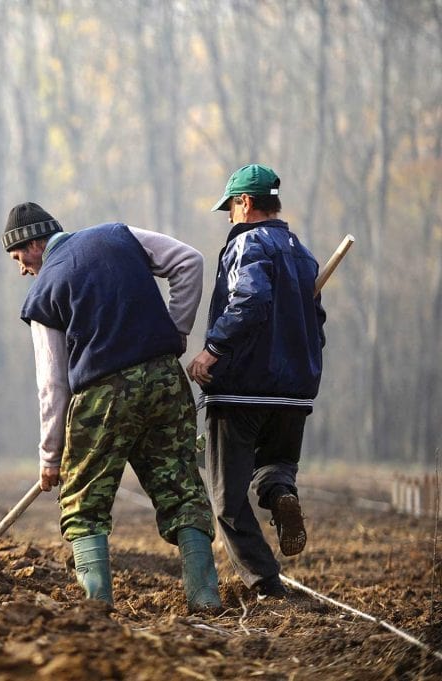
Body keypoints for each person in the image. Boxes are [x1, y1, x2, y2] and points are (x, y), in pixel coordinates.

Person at [3, 202, 221, 613]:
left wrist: (50, 457)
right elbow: (189, 261)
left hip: (102, 397)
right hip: (164, 383)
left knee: (83, 505)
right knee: (182, 489)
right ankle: (206, 598)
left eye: (18, 258)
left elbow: (52, 383)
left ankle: (97, 609)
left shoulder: (42, 292)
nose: (20, 269)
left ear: (33, 244)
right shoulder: (119, 235)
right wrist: (175, 332)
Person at [187, 164, 326, 599]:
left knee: (226, 498)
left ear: (245, 202)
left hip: (242, 388)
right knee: (276, 466)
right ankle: (280, 492)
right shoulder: (301, 253)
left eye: (230, 206)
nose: (228, 215)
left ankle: (265, 582)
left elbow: (251, 298)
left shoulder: (248, 244)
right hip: (294, 392)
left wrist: (214, 349)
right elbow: (316, 321)